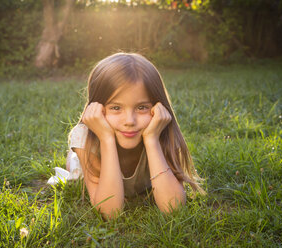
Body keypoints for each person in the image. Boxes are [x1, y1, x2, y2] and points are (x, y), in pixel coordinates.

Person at [66, 52, 205, 219]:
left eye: (142, 107)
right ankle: (73, 159)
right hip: (87, 158)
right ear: (97, 108)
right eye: (116, 108)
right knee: (75, 167)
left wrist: (152, 140)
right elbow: (110, 213)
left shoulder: (161, 130)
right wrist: (106, 139)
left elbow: (173, 208)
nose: (130, 121)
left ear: (158, 107)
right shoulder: (87, 138)